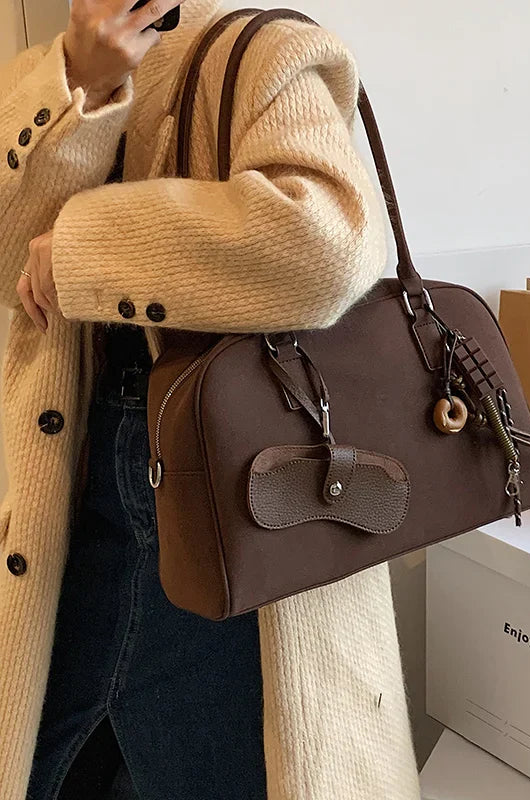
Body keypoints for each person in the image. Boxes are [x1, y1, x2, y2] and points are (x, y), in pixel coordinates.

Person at [0, 0, 421, 798]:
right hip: (74, 500)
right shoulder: (37, 76)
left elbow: (325, 246)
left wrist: (89, 248)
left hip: (236, 493)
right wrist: (80, 82)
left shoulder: (266, 53)